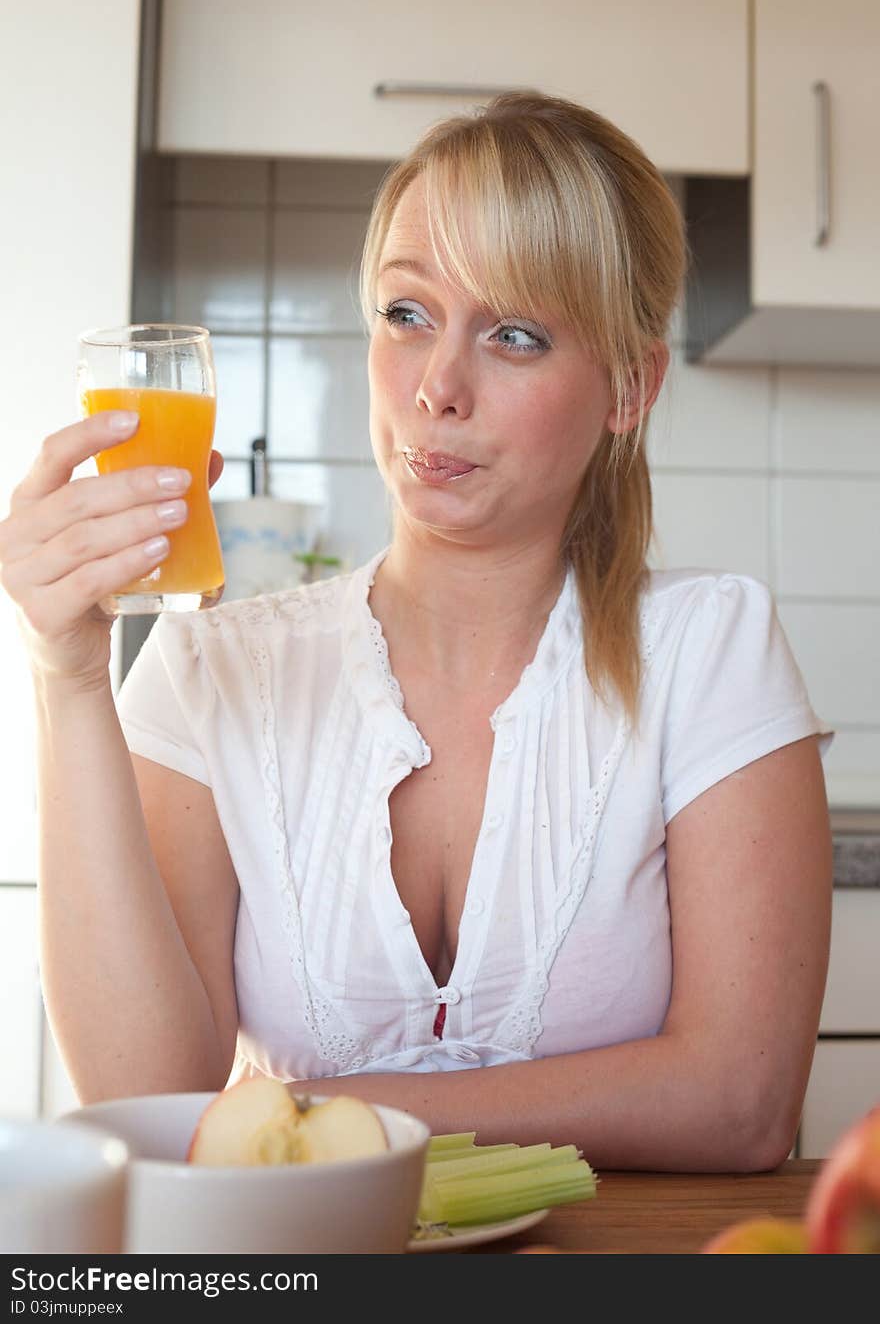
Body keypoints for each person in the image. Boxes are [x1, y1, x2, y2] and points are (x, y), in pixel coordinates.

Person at [0, 92, 834, 1172]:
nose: (438, 386)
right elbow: (150, 1101)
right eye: (406, 313)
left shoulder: (710, 649)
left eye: (515, 334)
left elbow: (738, 1102)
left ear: (630, 385)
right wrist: (66, 672)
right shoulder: (212, 667)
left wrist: (321, 1111)